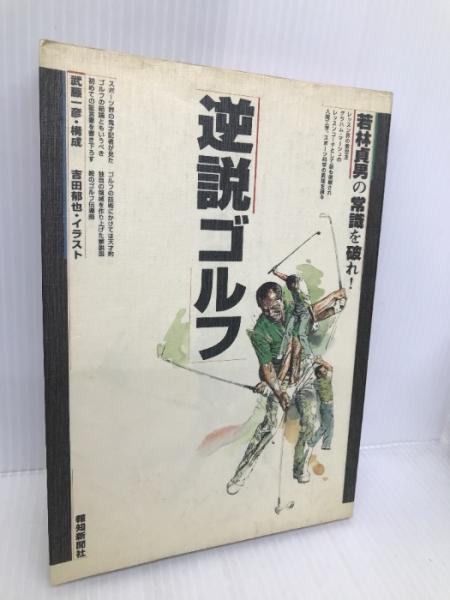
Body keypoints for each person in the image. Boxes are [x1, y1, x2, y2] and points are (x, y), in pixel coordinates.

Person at [311, 357, 334, 450]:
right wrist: (320, 361)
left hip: (328, 406)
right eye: (323, 371)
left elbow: (330, 368)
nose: (326, 372)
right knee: (325, 426)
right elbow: (331, 368)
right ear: (318, 374)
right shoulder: (322, 381)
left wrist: (319, 362)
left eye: (325, 371)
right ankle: (311, 441)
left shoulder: (319, 381)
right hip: (326, 406)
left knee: (329, 426)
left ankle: (326, 445)